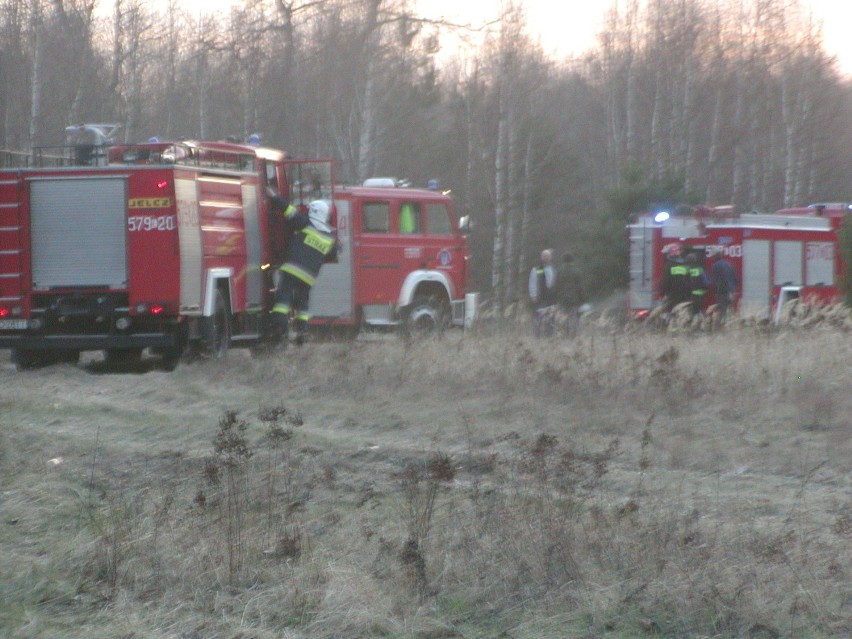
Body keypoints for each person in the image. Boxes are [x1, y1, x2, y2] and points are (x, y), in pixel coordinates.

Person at [269, 199, 338, 347]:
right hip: (309, 276)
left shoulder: (305, 223)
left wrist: (275, 199)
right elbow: (333, 255)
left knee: (283, 296)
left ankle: (279, 326)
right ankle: (302, 331)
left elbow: (289, 211)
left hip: (292, 269)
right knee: (303, 302)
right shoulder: (329, 237)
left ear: (313, 211)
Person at [554, 252, 585, 336]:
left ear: (563, 260)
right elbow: (580, 287)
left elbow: (555, 286)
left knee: (562, 317)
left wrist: (556, 297)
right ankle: (572, 335)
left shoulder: (559, 271)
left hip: (562, 298)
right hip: (574, 299)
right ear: (572, 260)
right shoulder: (576, 271)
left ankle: (563, 334)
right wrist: (582, 299)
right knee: (573, 317)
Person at [528, 249, 556, 337]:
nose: (546, 258)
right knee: (538, 318)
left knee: (551, 318)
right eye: (544, 256)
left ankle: (549, 337)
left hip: (551, 298)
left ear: (551, 257)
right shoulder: (536, 269)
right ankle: (536, 336)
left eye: (548, 256)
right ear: (541, 257)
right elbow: (532, 283)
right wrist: (533, 296)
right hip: (539, 297)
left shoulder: (553, 269)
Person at [659, 243, 691, 314]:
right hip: (684, 295)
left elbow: (666, 281)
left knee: (672, 313)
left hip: (673, 295)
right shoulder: (685, 264)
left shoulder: (669, 265)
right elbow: (689, 279)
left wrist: (662, 293)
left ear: (670, 253)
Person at [710, 249, 738, 324]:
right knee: (730, 310)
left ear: (715, 257)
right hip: (731, 292)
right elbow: (736, 279)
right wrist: (733, 290)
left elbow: (715, 280)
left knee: (722, 311)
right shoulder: (730, 264)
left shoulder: (715, 265)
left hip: (722, 292)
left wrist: (716, 292)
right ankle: (731, 327)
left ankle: (722, 330)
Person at [685, 251, 709, 317]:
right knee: (700, 313)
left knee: (688, 314)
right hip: (699, 296)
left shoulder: (685, 269)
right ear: (695, 260)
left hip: (687, 296)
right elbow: (706, 283)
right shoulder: (700, 269)